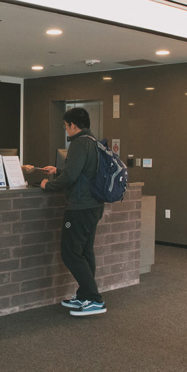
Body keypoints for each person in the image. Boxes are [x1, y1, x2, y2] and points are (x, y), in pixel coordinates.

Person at [39, 108, 106, 316]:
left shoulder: (78, 143)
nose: (66, 129)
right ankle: (86, 296)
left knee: (70, 252)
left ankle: (94, 299)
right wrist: (57, 171)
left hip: (79, 207)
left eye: (66, 125)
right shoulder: (94, 142)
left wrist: (47, 185)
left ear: (73, 125)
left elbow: (71, 178)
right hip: (94, 205)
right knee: (85, 251)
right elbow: (83, 172)